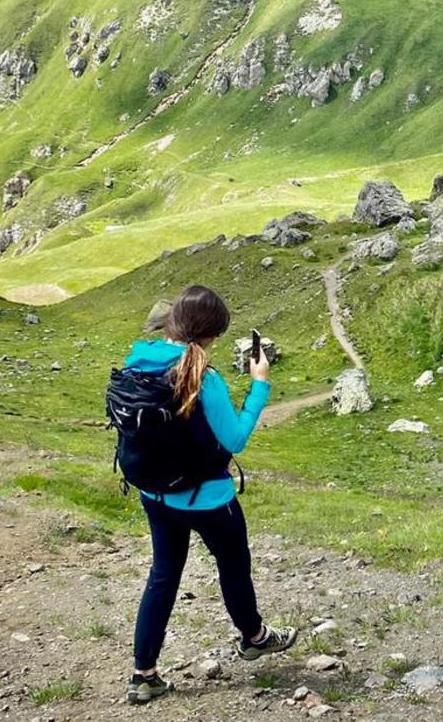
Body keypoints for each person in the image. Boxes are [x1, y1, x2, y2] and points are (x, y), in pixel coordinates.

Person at [112, 286, 296, 704]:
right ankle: (254, 637)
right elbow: (234, 439)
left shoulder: (138, 359)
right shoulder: (203, 377)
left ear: (173, 320)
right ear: (212, 334)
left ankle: (143, 675)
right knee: (233, 565)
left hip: (156, 495)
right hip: (209, 498)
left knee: (163, 575)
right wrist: (260, 384)